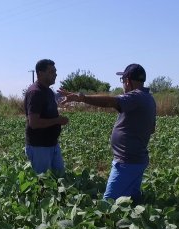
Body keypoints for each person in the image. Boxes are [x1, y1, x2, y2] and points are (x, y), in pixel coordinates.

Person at [59, 63, 156, 202]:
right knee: (132, 200)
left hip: (127, 162)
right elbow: (151, 129)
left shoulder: (136, 96)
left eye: (123, 80)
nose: (123, 84)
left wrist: (82, 98)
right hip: (137, 159)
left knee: (108, 205)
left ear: (127, 81)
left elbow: (111, 101)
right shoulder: (148, 98)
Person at [24, 59, 69, 174]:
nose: (55, 74)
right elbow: (34, 123)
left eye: (55, 71)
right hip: (39, 147)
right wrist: (57, 120)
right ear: (40, 73)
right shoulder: (35, 92)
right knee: (42, 184)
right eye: (51, 71)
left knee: (60, 179)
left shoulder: (48, 91)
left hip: (52, 144)